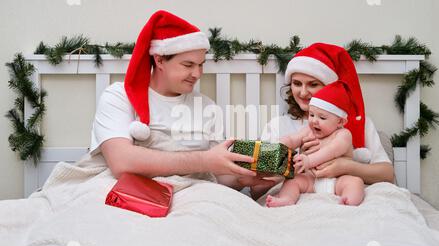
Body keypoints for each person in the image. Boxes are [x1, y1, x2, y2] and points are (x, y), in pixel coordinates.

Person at [90, 10, 261, 189]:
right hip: (131, 189)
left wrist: (242, 179)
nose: (197, 74)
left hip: (193, 192)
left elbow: (217, 175)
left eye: (201, 65)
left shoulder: (206, 106)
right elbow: (122, 162)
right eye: (188, 65)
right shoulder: (118, 96)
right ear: (159, 60)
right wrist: (204, 160)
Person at [251, 43, 395, 200]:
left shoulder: (359, 123)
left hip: (341, 191)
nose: (303, 92)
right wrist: (296, 162)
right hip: (300, 194)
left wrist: (345, 167)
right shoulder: (278, 125)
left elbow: (387, 174)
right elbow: (256, 190)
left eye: (313, 84)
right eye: (297, 83)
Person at [266, 81, 365, 207]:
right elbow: (293, 139)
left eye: (322, 118)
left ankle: (348, 200)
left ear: (340, 121)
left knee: (355, 182)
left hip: (338, 180)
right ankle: (287, 199)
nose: (314, 121)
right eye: (311, 115)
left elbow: (332, 150)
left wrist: (309, 161)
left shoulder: (343, 135)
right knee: (292, 180)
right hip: (311, 180)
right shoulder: (309, 130)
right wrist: (278, 145)